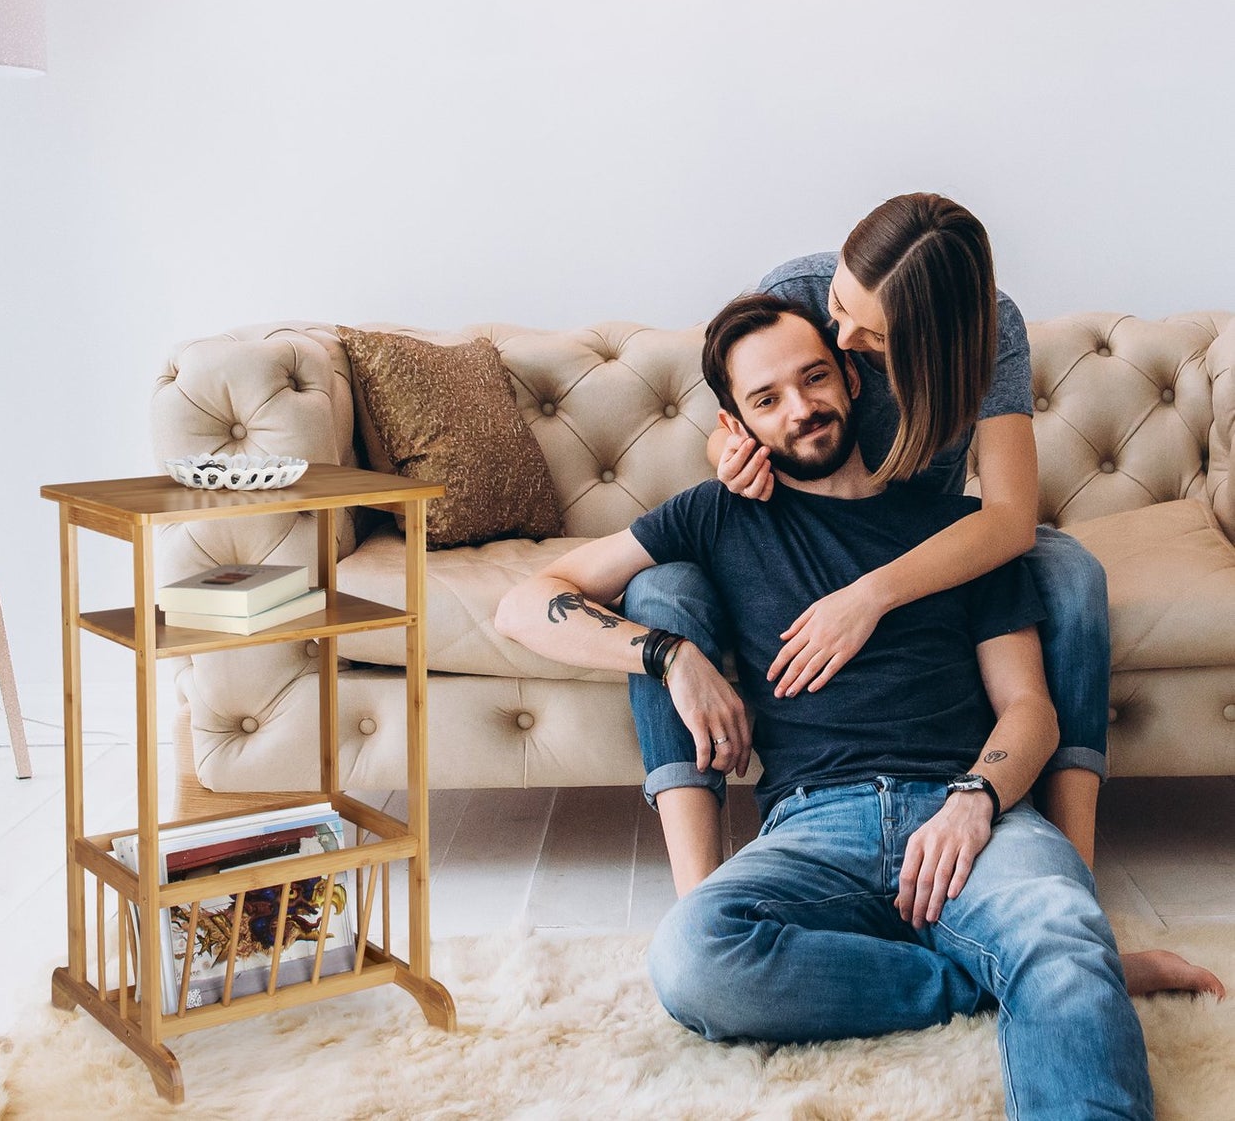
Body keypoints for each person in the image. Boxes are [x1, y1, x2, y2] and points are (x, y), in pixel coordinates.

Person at [494, 294, 1167, 1121]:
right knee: (691, 956)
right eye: (765, 399)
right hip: (816, 825)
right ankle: (997, 977)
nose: (800, 408)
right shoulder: (715, 514)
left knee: (1059, 927)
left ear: (850, 376)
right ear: (734, 422)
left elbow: (1030, 707)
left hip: (967, 811)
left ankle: (1058, 967)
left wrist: (974, 800)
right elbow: (524, 605)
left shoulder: (959, 527)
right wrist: (668, 655)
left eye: (814, 378)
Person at [623, 192, 1216, 998]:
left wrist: (868, 596)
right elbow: (738, 410)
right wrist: (726, 451)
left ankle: (1070, 907)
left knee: (1071, 573)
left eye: (868, 335)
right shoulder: (799, 291)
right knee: (660, 590)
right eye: (838, 309)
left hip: (934, 539)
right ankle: (699, 900)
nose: (841, 338)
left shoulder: (989, 335)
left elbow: (1007, 518)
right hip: (797, 532)